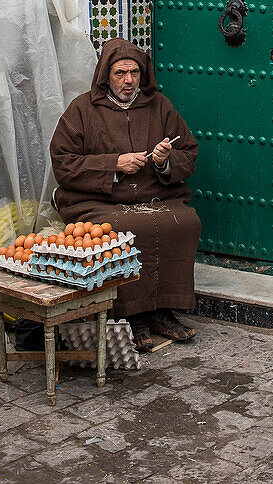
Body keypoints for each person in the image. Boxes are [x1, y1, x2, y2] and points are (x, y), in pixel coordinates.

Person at [50, 38, 201, 351]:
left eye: (134, 72)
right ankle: (130, 315)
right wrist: (114, 164)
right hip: (99, 200)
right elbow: (63, 163)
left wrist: (164, 162)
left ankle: (161, 311)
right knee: (121, 229)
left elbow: (188, 150)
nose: (129, 80)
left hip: (152, 195)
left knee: (184, 221)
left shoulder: (160, 106)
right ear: (106, 74)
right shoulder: (82, 109)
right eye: (120, 73)